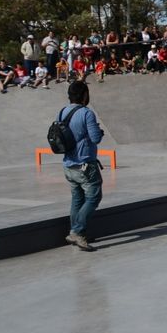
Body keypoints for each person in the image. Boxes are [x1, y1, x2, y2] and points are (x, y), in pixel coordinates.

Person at [59, 81, 104, 251]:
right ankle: (77, 232)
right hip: (84, 164)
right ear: (84, 94)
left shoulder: (62, 112)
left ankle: (76, 232)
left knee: (77, 198)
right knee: (94, 197)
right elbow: (95, 138)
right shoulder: (87, 113)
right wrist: (98, 131)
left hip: (68, 165)